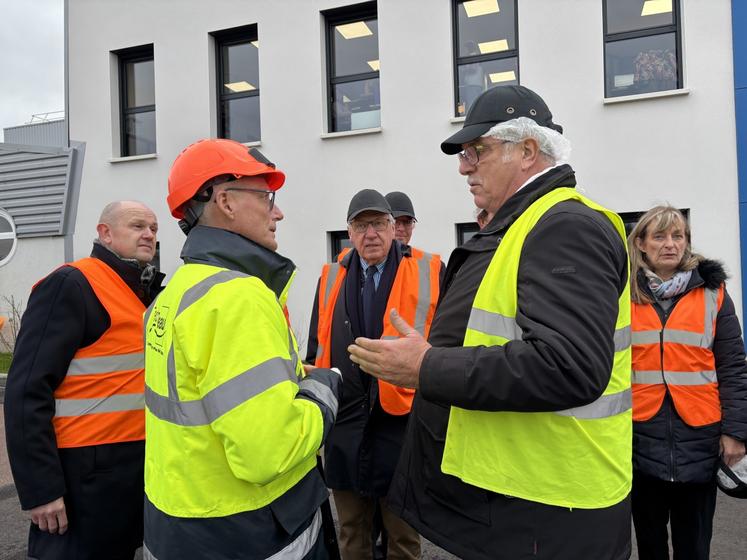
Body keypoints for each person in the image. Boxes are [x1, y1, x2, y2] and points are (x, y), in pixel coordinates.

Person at [348, 85, 633, 560]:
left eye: (476, 152)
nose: (463, 166)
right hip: (526, 498)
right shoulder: (524, 224)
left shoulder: (564, 226)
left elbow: (569, 366)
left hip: (552, 507)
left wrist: (428, 367)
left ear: (527, 151)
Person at [142, 139, 341, 560]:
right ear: (226, 201)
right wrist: (322, 388)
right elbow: (269, 453)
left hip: (179, 520)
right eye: (267, 197)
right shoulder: (237, 297)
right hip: (247, 528)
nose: (278, 211)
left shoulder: (175, 292)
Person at [4, 200, 163, 560]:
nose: (149, 235)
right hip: (81, 482)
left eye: (153, 228)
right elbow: (26, 391)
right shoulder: (72, 284)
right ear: (104, 233)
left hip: (127, 475)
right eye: (137, 226)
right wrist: (41, 489)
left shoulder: (141, 291)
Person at [306, 189, 442, 560]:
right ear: (349, 232)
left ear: (392, 227)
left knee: (403, 537)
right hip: (345, 427)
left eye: (379, 224)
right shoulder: (331, 276)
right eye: (362, 225)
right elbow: (315, 349)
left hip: (402, 427)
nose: (372, 234)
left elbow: (447, 349)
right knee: (352, 533)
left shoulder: (428, 270)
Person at [627, 206, 747, 560]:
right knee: (649, 544)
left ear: (687, 243)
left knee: (694, 545)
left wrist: (736, 433)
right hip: (639, 435)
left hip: (700, 434)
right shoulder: (622, 296)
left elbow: (733, 368)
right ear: (642, 245)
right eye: (660, 236)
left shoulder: (714, 294)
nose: (670, 244)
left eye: (677, 236)